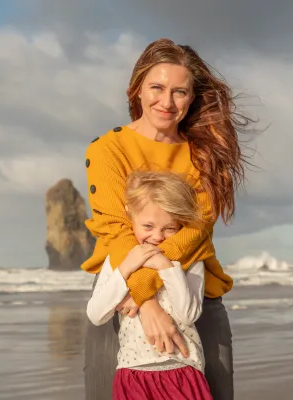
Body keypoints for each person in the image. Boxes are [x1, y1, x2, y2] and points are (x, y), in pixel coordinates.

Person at [82, 37, 250, 400]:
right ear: (137, 89)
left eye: (180, 92)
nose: (167, 101)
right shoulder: (107, 149)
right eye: (156, 87)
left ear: (192, 98)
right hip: (119, 289)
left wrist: (147, 291)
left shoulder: (204, 156)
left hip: (191, 286)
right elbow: (116, 230)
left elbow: (195, 232)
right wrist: (146, 303)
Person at [86, 170, 212, 400]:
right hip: (133, 373)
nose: (157, 237)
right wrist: (126, 268)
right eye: (148, 226)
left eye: (169, 228)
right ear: (130, 215)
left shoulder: (190, 259)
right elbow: (96, 315)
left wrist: (165, 266)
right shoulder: (118, 260)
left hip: (182, 370)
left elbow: (188, 315)